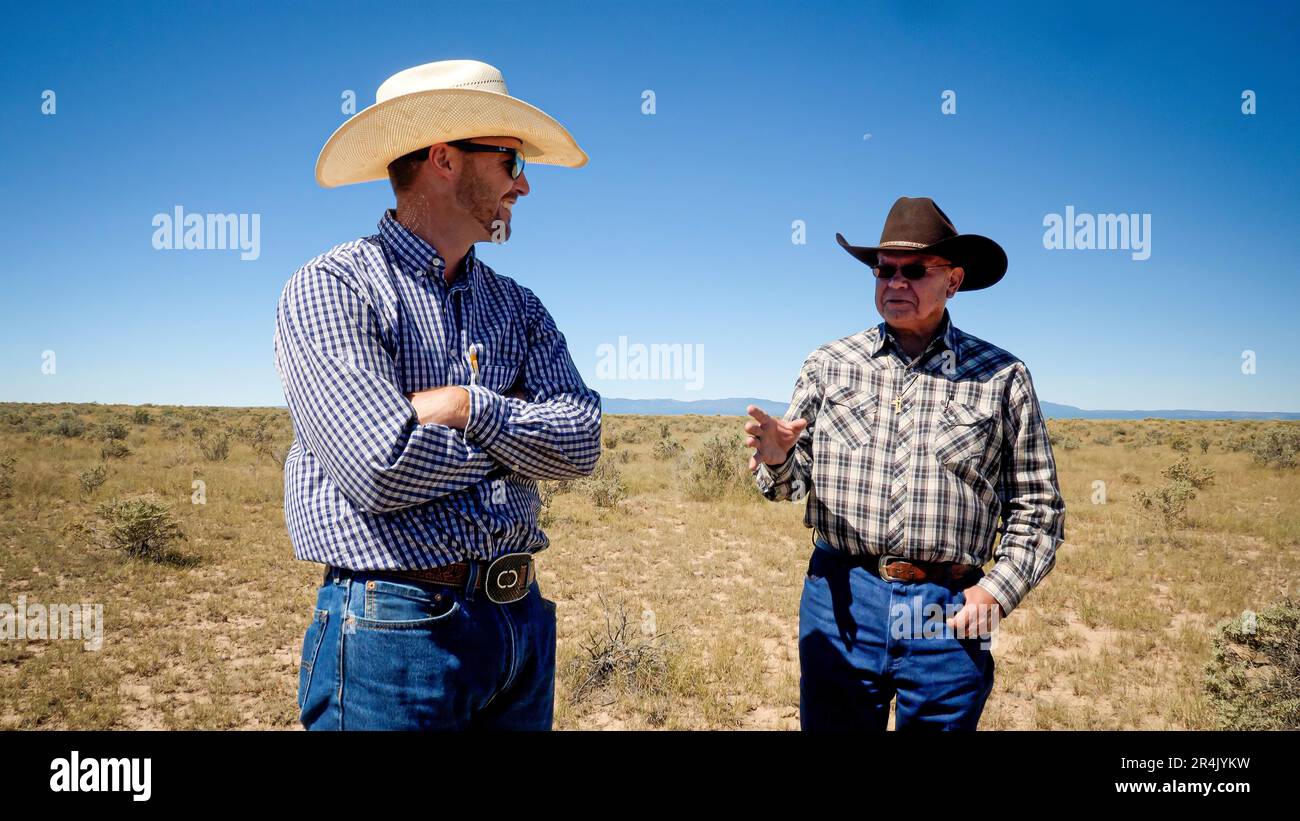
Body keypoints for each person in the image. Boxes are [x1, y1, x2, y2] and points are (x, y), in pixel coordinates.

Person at [274, 59, 601, 730]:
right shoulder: (333, 287)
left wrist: (465, 407)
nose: (524, 183)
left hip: (522, 624)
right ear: (445, 159)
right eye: (509, 160)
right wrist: (516, 443)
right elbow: (379, 466)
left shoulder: (519, 306)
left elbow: (582, 439)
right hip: (395, 632)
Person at [745, 196, 1065, 730]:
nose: (895, 282)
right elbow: (786, 485)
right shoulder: (829, 365)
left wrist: (995, 591)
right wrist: (777, 460)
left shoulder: (1003, 377)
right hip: (842, 597)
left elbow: (1039, 508)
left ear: (954, 281)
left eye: (914, 270)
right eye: (884, 270)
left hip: (950, 606)